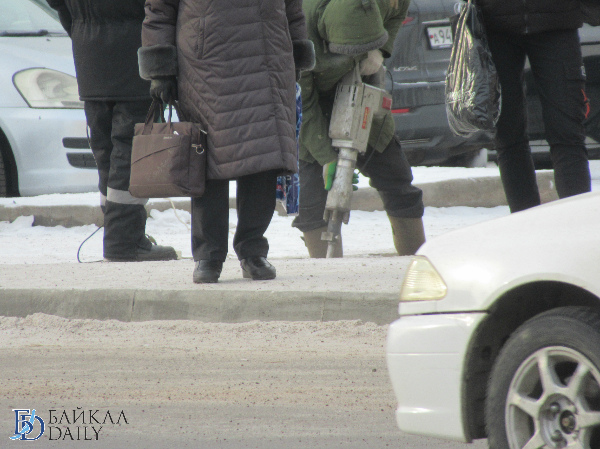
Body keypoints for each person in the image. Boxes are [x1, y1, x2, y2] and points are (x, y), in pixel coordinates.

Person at [138, 0, 315, 283]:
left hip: (268, 59)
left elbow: (293, 7)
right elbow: (160, 8)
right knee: (208, 160)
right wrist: (160, 68)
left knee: (263, 156)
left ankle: (252, 250)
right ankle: (209, 255)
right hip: (206, 65)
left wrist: (296, 50)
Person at [292, 0, 426, 258]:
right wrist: (327, 158)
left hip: (361, 95)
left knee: (397, 181)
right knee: (311, 204)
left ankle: (414, 264)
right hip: (313, 107)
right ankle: (326, 274)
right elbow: (301, 105)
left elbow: (399, 9)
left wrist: (380, 50)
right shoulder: (300, 31)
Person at [47, 0, 178, 262]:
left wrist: (82, 28)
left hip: (89, 53)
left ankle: (120, 233)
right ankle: (124, 240)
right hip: (134, 54)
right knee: (131, 151)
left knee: (105, 149)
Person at [477, 0, 591, 213]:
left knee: (567, 133)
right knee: (508, 135)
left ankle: (577, 222)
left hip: (557, 20)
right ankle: (525, 224)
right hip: (495, 25)